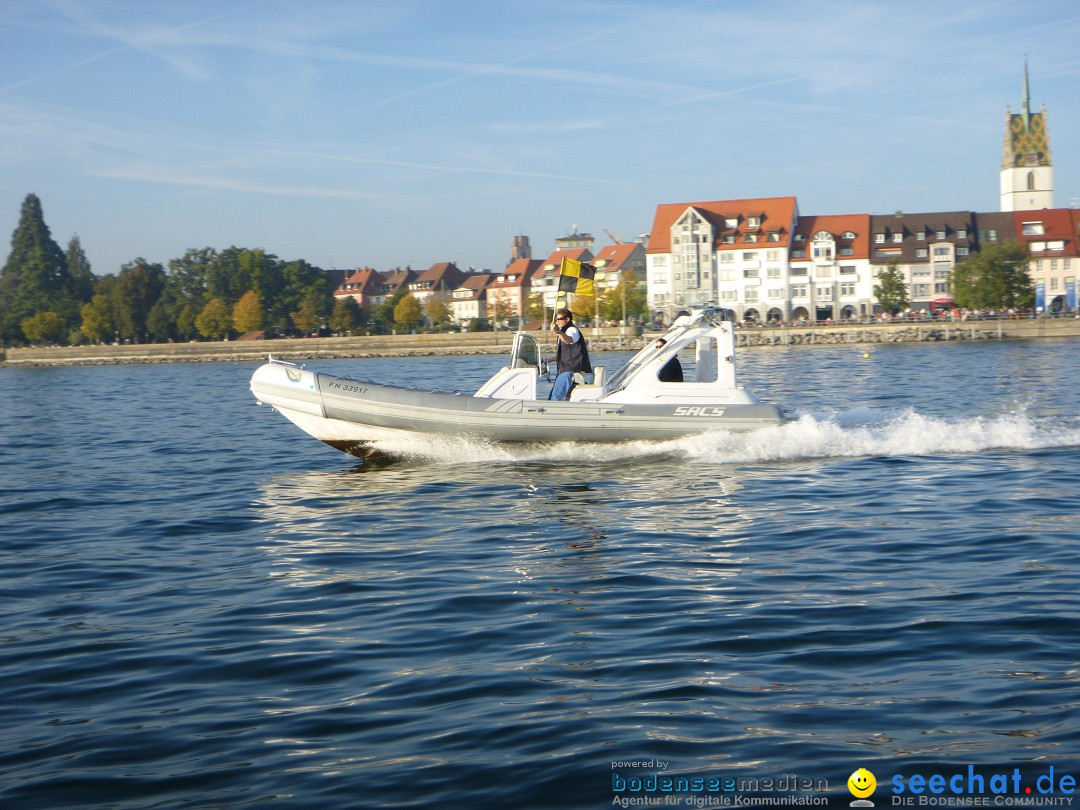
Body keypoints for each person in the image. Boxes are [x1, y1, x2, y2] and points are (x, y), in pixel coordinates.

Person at [546, 308, 592, 400]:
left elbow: (569, 340)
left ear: (567, 319)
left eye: (559, 319)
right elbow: (565, 353)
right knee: (553, 396)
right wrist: (549, 360)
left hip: (570, 369)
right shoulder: (564, 332)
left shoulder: (572, 330)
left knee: (555, 397)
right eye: (556, 319)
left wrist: (557, 332)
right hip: (564, 369)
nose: (557, 322)